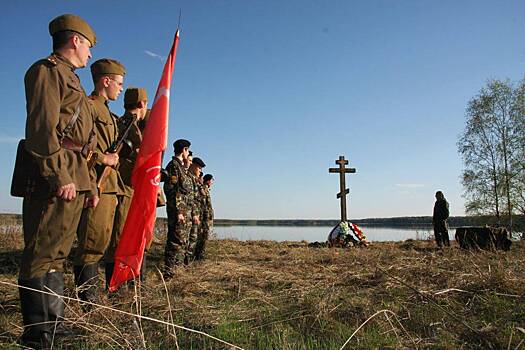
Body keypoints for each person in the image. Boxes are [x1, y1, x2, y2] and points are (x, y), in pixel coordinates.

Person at [18, 14, 98, 348]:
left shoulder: (72, 79)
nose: (90, 55)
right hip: (58, 173)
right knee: (41, 252)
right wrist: (58, 174)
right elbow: (41, 129)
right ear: (75, 41)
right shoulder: (46, 72)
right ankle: (39, 334)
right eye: (89, 47)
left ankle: (55, 326)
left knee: (57, 253)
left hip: (75, 173)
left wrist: (89, 183)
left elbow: (86, 142)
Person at [74, 58, 125, 302]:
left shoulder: (109, 113)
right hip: (96, 183)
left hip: (109, 187)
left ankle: (98, 296)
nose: (121, 88)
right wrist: (102, 158)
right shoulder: (90, 106)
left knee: (102, 242)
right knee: (91, 244)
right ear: (106, 81)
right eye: (119, 83)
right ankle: (88, 303)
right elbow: (76, 145)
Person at [104, 87, 148, 288]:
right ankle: (117, 286)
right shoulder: (124, 125)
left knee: (139, 238)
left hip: (138, 191)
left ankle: (136, 282)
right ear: (142, 104)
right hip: (125, 189)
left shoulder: (140, 125)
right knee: (120, 238)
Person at [163, 139, 192, 276]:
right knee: (175, 241)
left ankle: (177, 270)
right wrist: (179, 211)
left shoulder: (181, 166)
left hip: (183, 209)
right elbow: (173, 189)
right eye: (187, 150)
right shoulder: (174, 165)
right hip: (177, 210)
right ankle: (169, 272)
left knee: (181, 240)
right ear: (184, 150)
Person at [186, 157, 205, 262]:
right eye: (199, 168)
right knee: (188, 240)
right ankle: (186, 262)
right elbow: (190, 199)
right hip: (188, 213)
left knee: (193, 239)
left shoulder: (194, 180)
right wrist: (194, 214)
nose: (200, 171)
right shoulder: (189, 178)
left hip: (194, 214)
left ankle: (188, 261)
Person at [195, 174, 214, 260]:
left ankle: (200, 254)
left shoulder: (205, 189)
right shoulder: (204, 188)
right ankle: (199, 255)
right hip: (204, 217)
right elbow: (203, 204)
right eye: (212, 180)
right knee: (203, 236)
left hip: (205, 217)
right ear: (209, 180)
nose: (212, 182)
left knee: (203, 236)